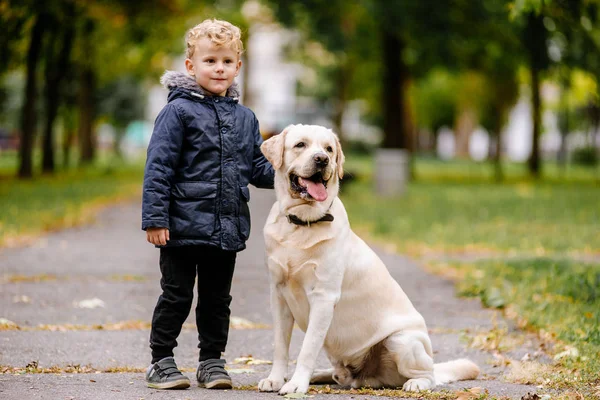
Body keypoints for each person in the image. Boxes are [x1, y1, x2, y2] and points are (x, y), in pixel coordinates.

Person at [141, 18, 274, 390]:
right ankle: (161, 360)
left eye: (227, 61)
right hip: (180, 227)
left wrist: (291, 170)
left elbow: (257, 167)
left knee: (217, 299)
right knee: (177, 295)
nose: (219, 68)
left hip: (226, 226)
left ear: (238, 67)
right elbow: (159, 167)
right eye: (210, 60)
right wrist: (155, 218)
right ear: (191, 66)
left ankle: (211, 361)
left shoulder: (245, 118)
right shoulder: (177, 113)